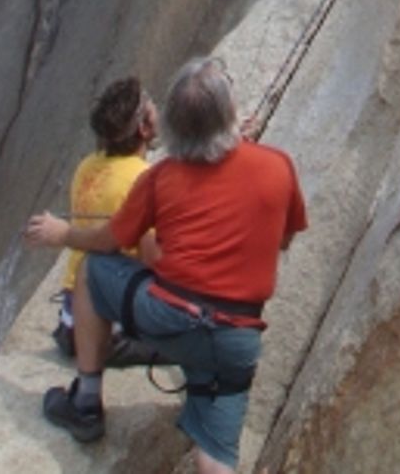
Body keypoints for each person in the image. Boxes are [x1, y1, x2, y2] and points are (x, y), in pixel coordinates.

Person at [26, 56, 307, 473]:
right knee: (214, 454)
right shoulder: (277, 166)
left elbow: (110, 242)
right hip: (234, 337)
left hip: (167, 319)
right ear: (230, 116)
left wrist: (64, 235)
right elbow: (283, 238)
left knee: (94, 268)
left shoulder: (161, 178)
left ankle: (85, 402)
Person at [52, 75, 158, 361]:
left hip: (71, 319)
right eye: (151, 106)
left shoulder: (87, 165)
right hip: (111, 331)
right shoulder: (142, 178)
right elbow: (152, 257)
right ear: (143, 128)